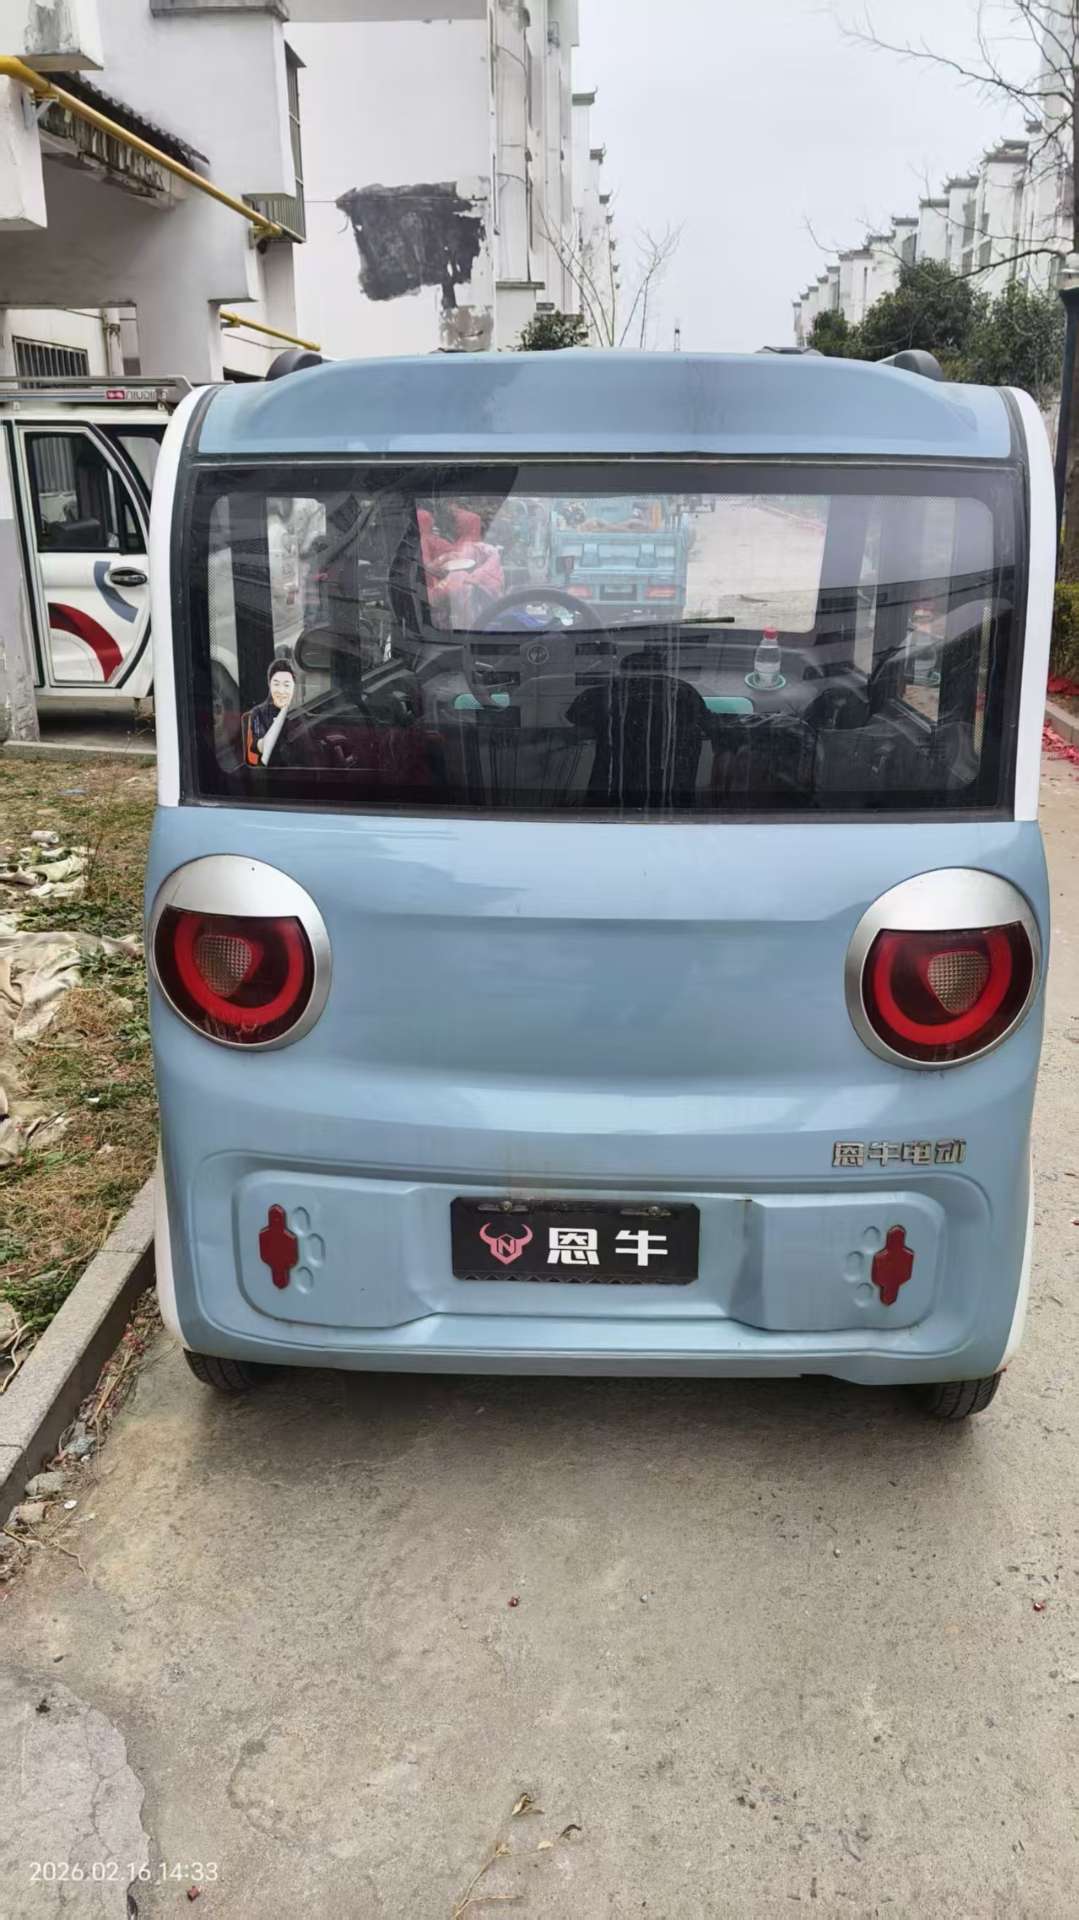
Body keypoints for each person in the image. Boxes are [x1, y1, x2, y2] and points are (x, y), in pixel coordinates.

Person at [242, 657, 298, 768]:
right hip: (272, 772)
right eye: (276, 684)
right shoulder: (258, 713)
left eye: (286, 685)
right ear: (269, 684)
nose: (281, 691)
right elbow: (258, 745)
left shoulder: (299, 713)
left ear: (294, 686)